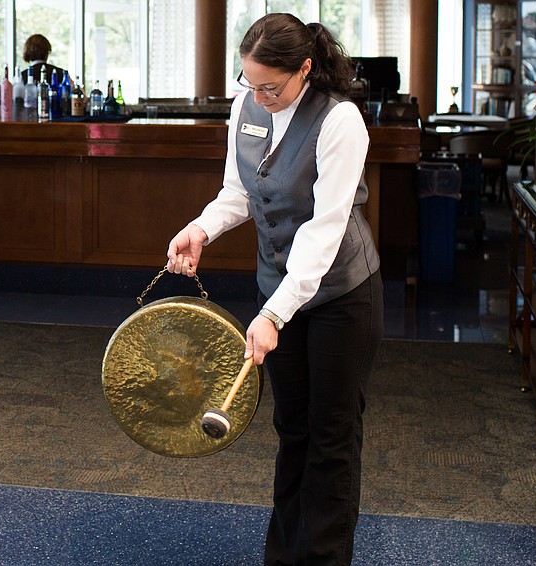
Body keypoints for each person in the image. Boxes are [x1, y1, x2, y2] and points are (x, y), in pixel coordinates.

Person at [166, 12, 383, 566]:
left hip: (340, 295)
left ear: (304, 69)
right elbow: (238, 191)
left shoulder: (340, 120)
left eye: (271, 87)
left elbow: (324, 230)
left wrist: (273, 314)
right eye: (251, 83)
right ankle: (284, 557)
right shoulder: (247, 107)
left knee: (331, 437)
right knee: (292, 431)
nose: (259, 97)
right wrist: (201, 228)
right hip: (278, 292)